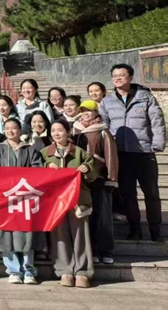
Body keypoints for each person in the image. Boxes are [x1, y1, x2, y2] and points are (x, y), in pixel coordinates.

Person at [100, 63, 166, 242]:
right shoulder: (107, 102)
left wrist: (157, 143)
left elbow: (157, 121)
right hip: (121, 154)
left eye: (121, 75)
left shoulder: (145, 97)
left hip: (144, 152)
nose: (117, 78)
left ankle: (155, 230)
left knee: (151, 193)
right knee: (128, 194)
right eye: (114, 76)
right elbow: (104, 127)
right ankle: (135, 228)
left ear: (130, 77)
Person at [41, 120, 96, 288]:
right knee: (59, 236)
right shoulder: (45, 153)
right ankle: (64, 270)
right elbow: (35, 174)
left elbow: (94, 174)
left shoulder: (79, 152)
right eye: (53, 131)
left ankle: (82, 271)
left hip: (78, 200)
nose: (56, 134)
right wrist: (46, 166)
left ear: (68, 132)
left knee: (81, 236)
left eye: (60, 130)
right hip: (55, 201)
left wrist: (87, 168)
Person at [0, 118, 45, 284]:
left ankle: (28, 270)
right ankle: (13, 270)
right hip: (4, 198)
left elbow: (37, 170)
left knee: (26, 233)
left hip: (24, 198)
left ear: (20, 130)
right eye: (7, 128)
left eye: (14, 128)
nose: (10, 131)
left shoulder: (30, 150)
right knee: (6, 233)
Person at [74, 100, 118, 265]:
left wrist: (111, 179)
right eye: (83, 110)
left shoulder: (102, 131)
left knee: (102, 216)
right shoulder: (75, 129)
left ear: (96, 112)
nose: (86, 113)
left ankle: (106, 250)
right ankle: (91, 250)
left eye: (89, 110)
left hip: (100, 178)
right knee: (87, 216)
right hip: (82, 179)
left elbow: (111, 156)